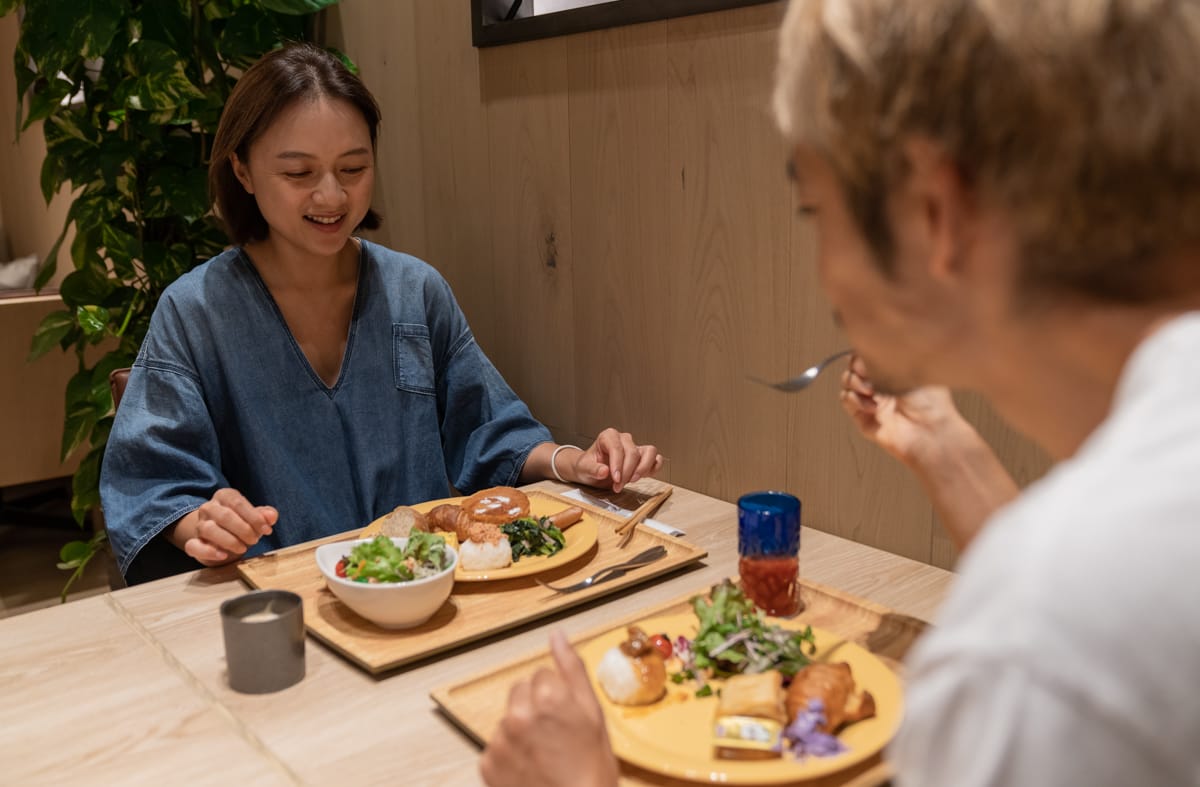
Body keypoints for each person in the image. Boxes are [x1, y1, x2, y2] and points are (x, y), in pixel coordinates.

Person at [480, 1, 1200, 785]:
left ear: (935, 212)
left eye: (815, 211)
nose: (823, 270)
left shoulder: (1035, 648)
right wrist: (945, 449)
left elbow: (1059, 614)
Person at [100, 44, 661, 584]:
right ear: (242, 171)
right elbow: (153, 484)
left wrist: (574, 462)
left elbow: (489, 432)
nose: (331, 197)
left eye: (353, 168)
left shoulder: (414, 290)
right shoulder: (195, 311)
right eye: (298, 174)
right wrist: (202, 524)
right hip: (283, 600)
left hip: (428, 590)